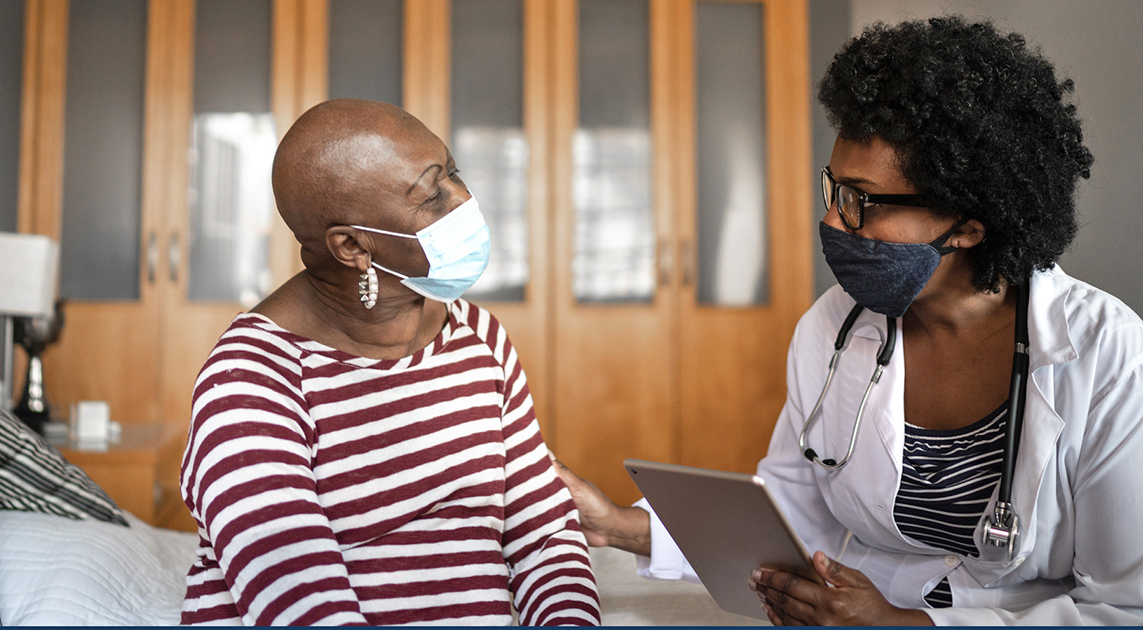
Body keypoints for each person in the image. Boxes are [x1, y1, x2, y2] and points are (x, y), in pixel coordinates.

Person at [554, 15, 1143, 625]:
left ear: (970, 224)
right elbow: (789, 514)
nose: (834, 223)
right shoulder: (832, 328)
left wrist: (902, 625)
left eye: (861, 201)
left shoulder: (1108, 356)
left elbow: (1126, 607)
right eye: (833, 189)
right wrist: (621, 527)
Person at [180, 99, 600, 626]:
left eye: (454, 172)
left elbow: (545, 538)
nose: (465, 200)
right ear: (353, 245)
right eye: (432, 195)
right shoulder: (250, 377)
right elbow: (299, 599)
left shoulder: (480, 338)